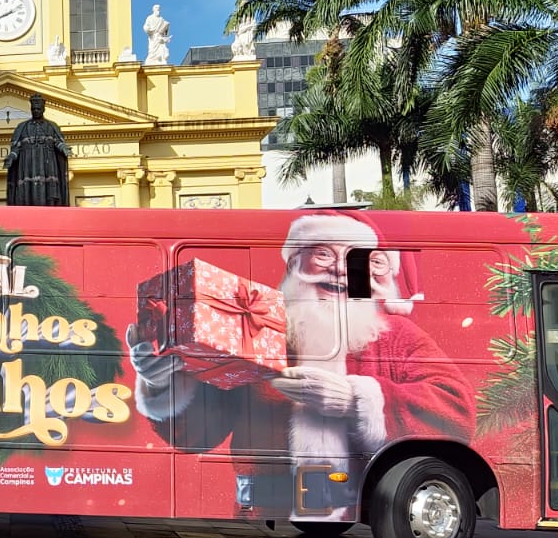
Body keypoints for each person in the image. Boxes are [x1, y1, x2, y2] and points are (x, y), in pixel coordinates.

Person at [127, 212, 474, 517]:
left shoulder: (395, 334)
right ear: (294, 262)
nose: (339, 268)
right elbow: (199, 434)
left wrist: (356, 399)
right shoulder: (256, 330)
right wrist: (164, 386)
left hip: (357, 498)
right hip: (266, 508)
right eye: (322, 254)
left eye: (352, 258)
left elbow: (455, 407)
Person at [4, 94, 70, 206]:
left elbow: (57, 141)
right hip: (28, 164)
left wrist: (64, 148)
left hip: (48, 164)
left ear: (43, 109)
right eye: (33, 109)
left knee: (48, 190)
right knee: (28, 191)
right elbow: (16, 147)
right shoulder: (22, 127)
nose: (36, 111)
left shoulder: (52, 126)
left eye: (38, 109)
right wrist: (11, 156)